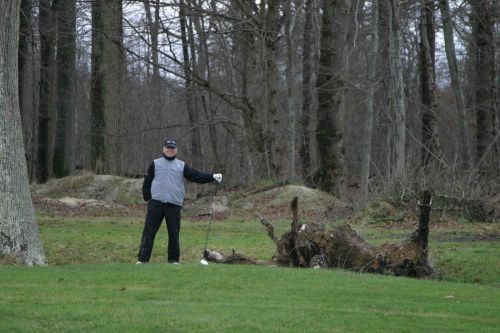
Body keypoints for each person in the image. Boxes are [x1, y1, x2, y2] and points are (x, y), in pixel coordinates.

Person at [137, 138, 222, 264]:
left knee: (174, 234)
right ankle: (142, 260)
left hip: (174, 204)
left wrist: (212, 177)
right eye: (168, 148)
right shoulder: (155, 163)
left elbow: (196, 175)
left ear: (176, 150)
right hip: (156, 203)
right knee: (149, 232)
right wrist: (147, 196)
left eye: (172, 148)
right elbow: (147, 181)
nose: (170, 150)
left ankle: (173, 260)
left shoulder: (181, 165)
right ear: (163, 149)